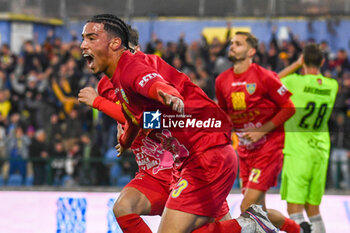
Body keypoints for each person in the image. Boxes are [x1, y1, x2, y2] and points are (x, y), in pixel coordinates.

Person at [80, 14, 278, 233]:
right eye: (84, 39)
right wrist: (126, 140)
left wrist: (100, 102)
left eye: (91, 38)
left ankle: (248, 225)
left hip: (204, 154)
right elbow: (140, 119)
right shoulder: (121, 79)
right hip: (188, 159)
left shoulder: (131, 68)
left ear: (119, 45)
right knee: (130, 210)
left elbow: (154, 86)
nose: (83, 45)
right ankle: (247, 226)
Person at [215, 31, 310, 233]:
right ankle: (298, 230)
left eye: (238, 44)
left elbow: (290, 108)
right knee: (260, 211)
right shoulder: (221, 80)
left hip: (268, 149)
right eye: (232, 43)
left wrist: (261, 131)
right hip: (245, 152)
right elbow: (225, 116)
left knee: (246, 208)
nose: (232, 46)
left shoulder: (264, 76)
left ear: (251, 51)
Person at [278, 43, 338, 233]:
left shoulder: (295, 83)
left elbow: (271, 80)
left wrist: (296, 65)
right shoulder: (332, 85)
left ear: (303, 60)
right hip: (320, 152)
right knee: (313, 209)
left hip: (298, 152)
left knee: (294, 208)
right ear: (323, 61)